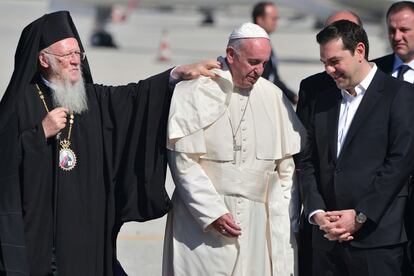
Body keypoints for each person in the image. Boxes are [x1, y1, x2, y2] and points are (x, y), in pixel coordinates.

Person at [0, 10, 219, 275]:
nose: (74, 61)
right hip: (39, 235)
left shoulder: (92, 98)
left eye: (77, 54)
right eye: (66, 56)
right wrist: (39, 135)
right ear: (43, 59)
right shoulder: (21, 103)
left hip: (85, 232)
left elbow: (135, 98)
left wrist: (176, 74)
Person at [162, 22, 304, 276]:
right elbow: (183, 161)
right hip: (202, 223)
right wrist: (212, 211)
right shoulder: (195, 90)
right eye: (253, 62)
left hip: (259, 224)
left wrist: (284, 218)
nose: (259, 71)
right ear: (230, 55)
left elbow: (287, 169)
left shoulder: (273, 96)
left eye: (264, 63)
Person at [298, 19, 414, 276]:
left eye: (335, 61)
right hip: (326, 242)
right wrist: (316, 212)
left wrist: (360, 215)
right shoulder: (323, 99)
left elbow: (399, 164)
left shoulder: (401, 95)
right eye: (324, 63)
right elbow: (307, 161)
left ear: (359, 51)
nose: (328, 70)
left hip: (376, 242)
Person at [295, 11, 364, 276]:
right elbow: (305, 155)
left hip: (372, 229)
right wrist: (316, 211)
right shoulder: (315, 89)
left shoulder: (388, 91)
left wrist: (360, 215)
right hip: (323, 224)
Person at [372, 3, 414, 274]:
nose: (397, 36)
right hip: (385, 194)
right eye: (392, 30)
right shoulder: (374, 72)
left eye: (405, 30)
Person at [252, 1, 298, 104]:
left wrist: (292, 96)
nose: (276, 22)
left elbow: (273, 78)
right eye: (273, 19)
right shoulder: (254, 46)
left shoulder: (265, 42)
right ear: (260, 19)